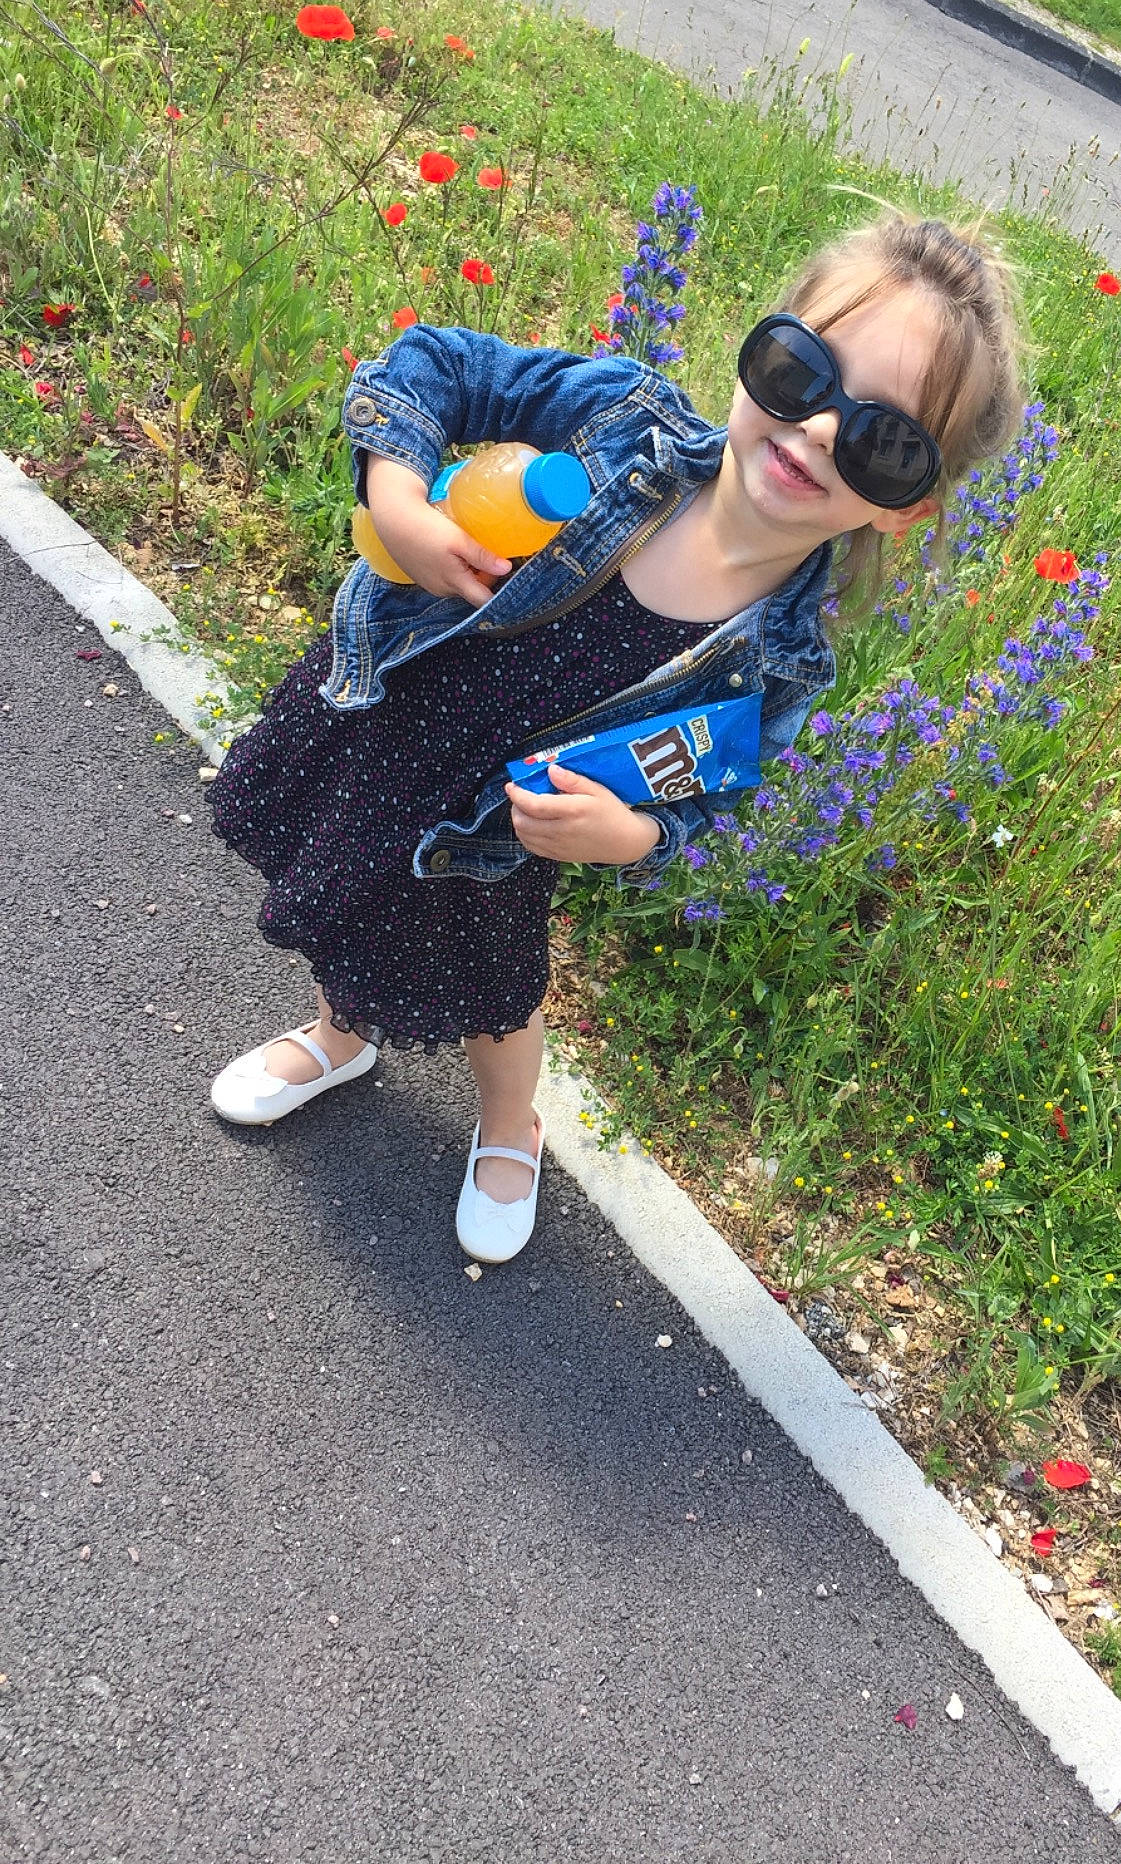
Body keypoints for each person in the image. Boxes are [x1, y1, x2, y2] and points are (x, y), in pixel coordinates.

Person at [206, 209, 1023, 1264]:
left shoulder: (772, 661)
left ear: (906, 508)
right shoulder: (621, 421)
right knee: (345, 895)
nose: (821, 429)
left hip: (495, 836)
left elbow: (704, 792)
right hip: (392, 713)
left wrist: (630, 835)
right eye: (802, 372)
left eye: (883, 442)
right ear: (759, 351)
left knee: (495, 1001)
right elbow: (437, 364)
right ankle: (340, 1034)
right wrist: (397, 495)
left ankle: (512, 1123)